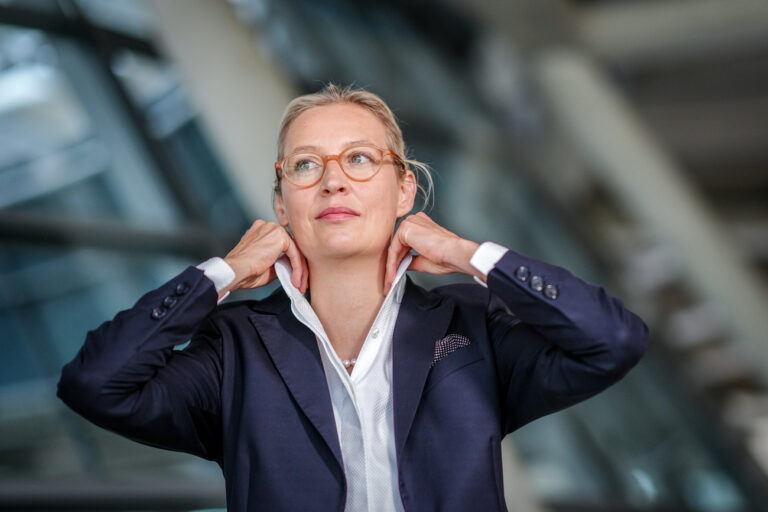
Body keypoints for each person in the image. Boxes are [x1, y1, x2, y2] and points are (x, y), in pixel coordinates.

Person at [57, 83, 649, 512]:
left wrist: (471, 255)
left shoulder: (475, 329)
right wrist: (221, 274)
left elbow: (612, 340)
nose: (334, 180)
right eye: (306, 165)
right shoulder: (233, 348)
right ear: (282, 203)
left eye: (360, 159)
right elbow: (95, 384)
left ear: (403, 189)